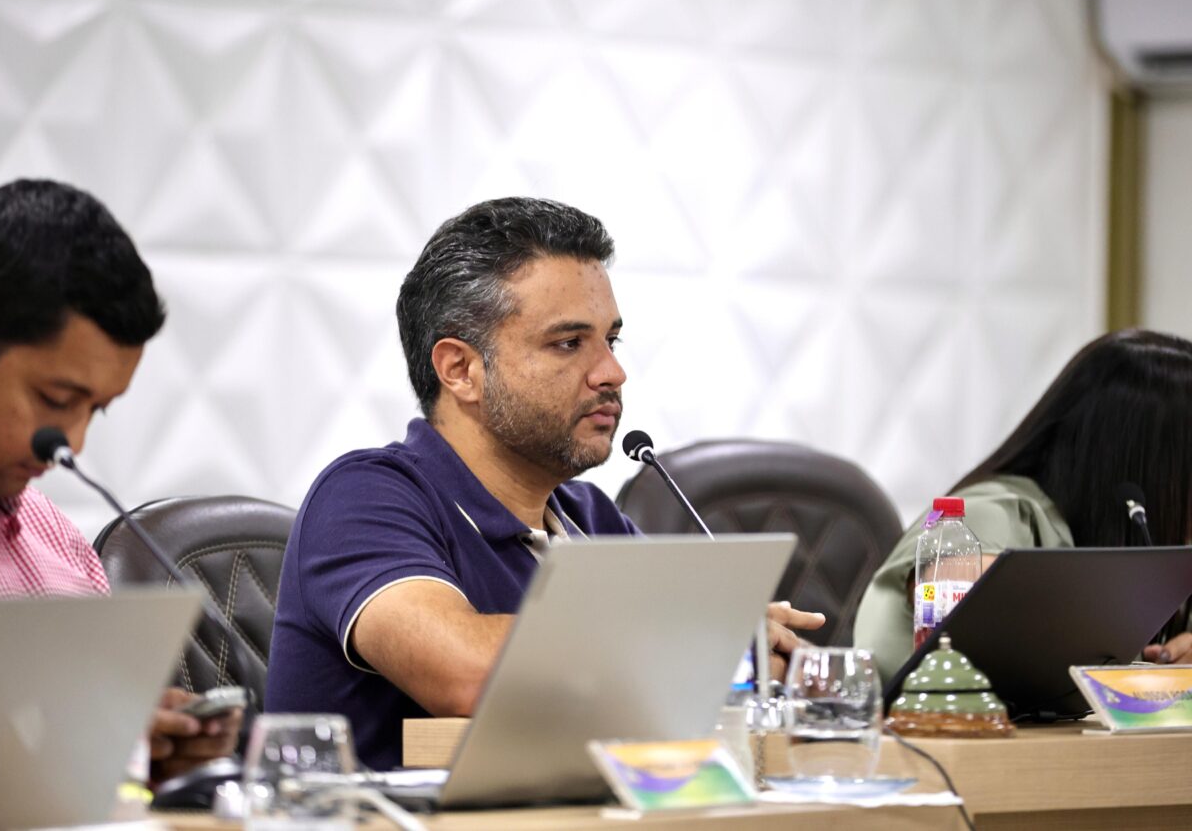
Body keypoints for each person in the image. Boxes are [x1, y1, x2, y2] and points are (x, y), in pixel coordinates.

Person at [267, 197, 824, 770]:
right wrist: (701, 639)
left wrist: (752, 655)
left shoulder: (590, 518)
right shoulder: (363, 497)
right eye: (568, 343)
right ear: (460, 369)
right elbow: (466, 675)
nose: (612, 372)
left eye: (611, 340)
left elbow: (703, 681)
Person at [0, 179, 240, 781]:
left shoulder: (55, 544)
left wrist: (138, 757)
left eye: (97, 410)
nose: (74, 442)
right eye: (57, 399)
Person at [854, 329, 1192, 684]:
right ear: (1150, 461)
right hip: (920, 717)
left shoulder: (1139, 544)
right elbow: (954, 601)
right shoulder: (990, 512)